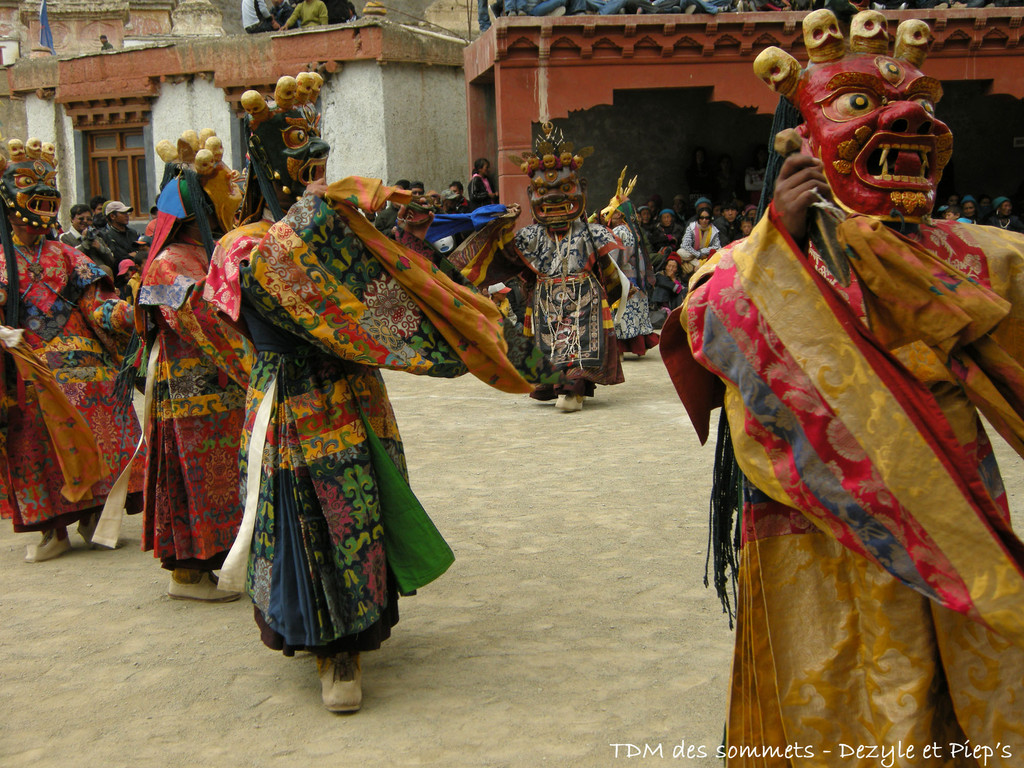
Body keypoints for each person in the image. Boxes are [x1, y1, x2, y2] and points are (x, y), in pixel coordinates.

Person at [661, 11, 1024, 759]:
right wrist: (780, 238)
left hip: (943, 506)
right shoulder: (756, 257)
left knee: (944, 679)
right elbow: (705, 322)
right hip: (821, 519)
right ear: (798, 145)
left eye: (918, 104)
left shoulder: (968, 254)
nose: (908, 120)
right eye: (859, 105)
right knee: (831, 688)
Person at [204, 73, 557, 712]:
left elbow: (394, 297)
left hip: (353, 393)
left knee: (360, 508)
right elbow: (264, 305)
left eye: (323, 168)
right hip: (291, 399)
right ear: (271, 175)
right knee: (308, 515)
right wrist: (332, 208)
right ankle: (327, 649)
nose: (318, 183)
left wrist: (459, 316)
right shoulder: (244, 247)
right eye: (306, 172)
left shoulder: (345, 239)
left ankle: (355, 640)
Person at [0, 137, 141, 562]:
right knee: (36, 435)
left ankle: (94, 514)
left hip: (85, 361)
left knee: (105, 411)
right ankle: (53, 529)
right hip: (29, 365)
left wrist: (128, 313)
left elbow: (96, 306)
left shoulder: (67, 255)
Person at [135, 129, 252, 602]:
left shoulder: (208, 253)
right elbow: (201, 322)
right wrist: (257, 363)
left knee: (229, 476)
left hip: (225, 390)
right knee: (201, 477)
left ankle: (220, 561)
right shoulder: (168, 264)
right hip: (190, 397)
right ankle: (188, 571)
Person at [463, 123, 624, 413]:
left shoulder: (591, 232)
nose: (553, 197)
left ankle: (574, 386)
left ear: (582, 188)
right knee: (552, 345)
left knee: (579, 343)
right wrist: (503, 225)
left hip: (584, 296)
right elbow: (505, 258)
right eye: (542, 190)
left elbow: (607, 268)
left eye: (564, 188)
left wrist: (622, 289)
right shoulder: (529, 237)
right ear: (530, 193)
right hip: (546, 299)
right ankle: (566, 387)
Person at [601, 172, 659, 357]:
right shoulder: (633, 230)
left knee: (621, 313)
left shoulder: (620, 231)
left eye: (615, 211)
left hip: (626, 279)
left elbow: (615, 258)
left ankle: (618, 351)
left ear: (620, 213)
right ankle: (634, 346)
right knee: (634, 313)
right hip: (637, 279)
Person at [98, 200, 141, 266]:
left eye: (127, 213)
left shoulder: (133, 233)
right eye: (123, 213)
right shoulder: (107, 236)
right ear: (112, 216)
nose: (127, 216)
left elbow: (141, 252)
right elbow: (117, 258)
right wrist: (130, 255)